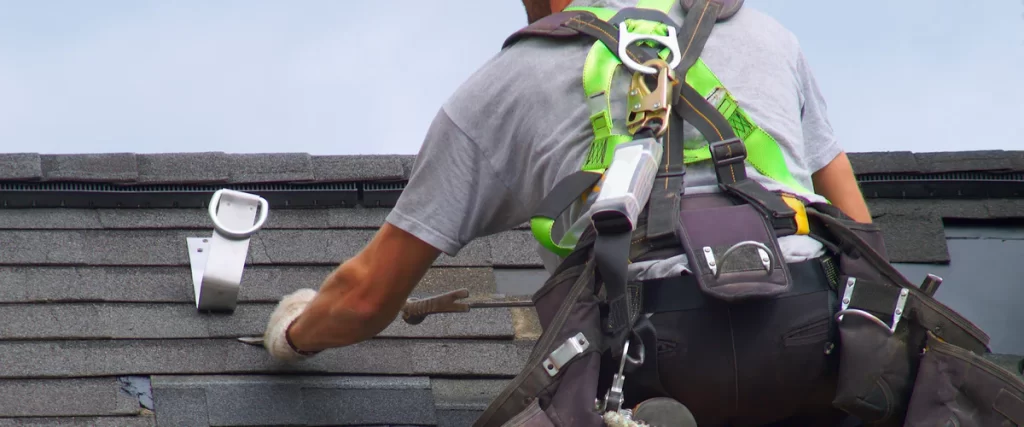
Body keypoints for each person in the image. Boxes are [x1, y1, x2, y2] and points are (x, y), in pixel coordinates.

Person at [260, 0, 875, 424]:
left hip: (652, 353)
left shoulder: (508, 82)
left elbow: (367, 297)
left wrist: (293, 335)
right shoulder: (769, 37)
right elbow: (860, 236)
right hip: (813, 335)